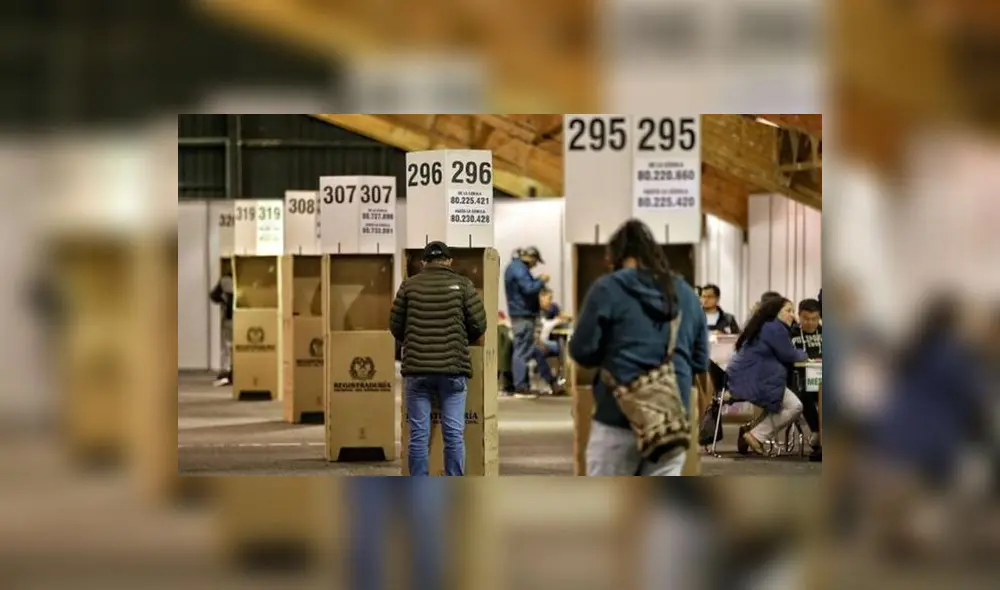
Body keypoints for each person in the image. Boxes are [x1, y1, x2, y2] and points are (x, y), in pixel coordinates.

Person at [570, 219, 707, 476]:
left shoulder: (608, 288)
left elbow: (581, 351)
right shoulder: (687, 294)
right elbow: (699, 362)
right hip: (670, 423)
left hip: (618, 415)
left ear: (616, 257)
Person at [390, 241, 487, 476]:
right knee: (454, 434)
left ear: (423, 262)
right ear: (449, 261)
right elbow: (480, 324)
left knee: (419, 436)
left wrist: (415, 342)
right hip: (453, 368)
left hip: (417, 370)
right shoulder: (463, 285)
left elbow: (395, 326)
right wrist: (461, 338)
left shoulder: (408, 286)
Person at [726, 296, 808, 455]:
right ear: (775, 313)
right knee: (795, 406)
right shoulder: (774, 328)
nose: (792, 315)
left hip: (746, 377)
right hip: (756, 379)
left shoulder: (764, 325)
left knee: (777, 406)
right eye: (788, 311)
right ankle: (756, 435)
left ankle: (751, 429)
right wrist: (805, 355)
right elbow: (789, 355)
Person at [503, 245, 550, 397]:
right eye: (535, 261)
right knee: (522, 350)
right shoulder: (519, 269)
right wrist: (541, 281)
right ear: (531, 257)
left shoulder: (514, 268)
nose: (535, 265)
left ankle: (521, 384)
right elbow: (528, 289)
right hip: (523, 315)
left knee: (522, 349)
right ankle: (521, 386)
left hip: (520, 314)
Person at [209, 273, 234, 387]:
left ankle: (227, 372)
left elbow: (213, 296)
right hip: (240, 318)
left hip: (228, 319)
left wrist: (223, 300)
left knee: (227, 347)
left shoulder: (225, 280)